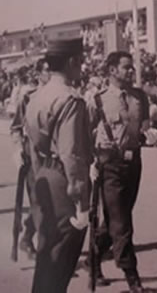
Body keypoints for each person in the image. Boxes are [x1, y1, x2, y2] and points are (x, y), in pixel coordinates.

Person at [87, 51, 157, 292]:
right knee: (122, 222)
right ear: (112, 71)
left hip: (133, 164)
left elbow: (145, 127)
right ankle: (133, 277)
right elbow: (86, 136)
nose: (131, 72)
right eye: (126, 68)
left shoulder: (140, 98)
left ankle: (94, 259)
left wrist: (150, 134)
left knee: (115, 219)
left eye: (132, 68)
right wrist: (91, 163)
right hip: (109, 166)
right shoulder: (97, 100)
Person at [24, 39, 92, 293]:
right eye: (81, 62)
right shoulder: (69, 99)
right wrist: (81, 200)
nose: (82, 67)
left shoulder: (37, 95)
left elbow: (31, 142)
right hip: (64, 179)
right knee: (61, 256)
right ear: (72, 62)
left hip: (44, 174)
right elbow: (71, 153)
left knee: (47, 253)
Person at [10, 59, 51, 260]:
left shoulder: (62, 95)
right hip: (33, 154)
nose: (50, 74)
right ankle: (46, 253)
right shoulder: (28, 97)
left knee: (54, 202)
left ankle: (27, 236)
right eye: (46, 70)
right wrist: (18, 149)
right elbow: (16, 127)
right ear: (38, 74)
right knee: (39, 201)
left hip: (55, 155)